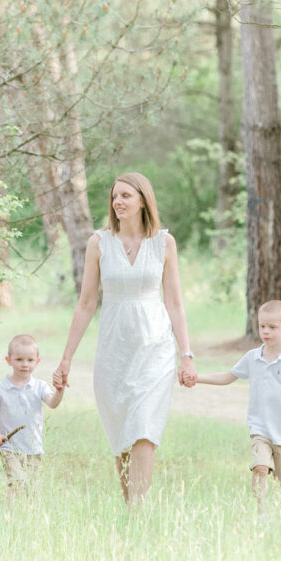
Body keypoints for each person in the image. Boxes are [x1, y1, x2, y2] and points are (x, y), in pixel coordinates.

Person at [53, 172, 196, 508]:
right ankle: (130, 508)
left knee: (145, 427)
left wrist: (186, 353)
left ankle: (139, 508)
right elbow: (86, 304)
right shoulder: (98, 243)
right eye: (115, 197)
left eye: (126, 196)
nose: (118, 202)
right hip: (114, 349)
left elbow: (174, 301)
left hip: (155, 348)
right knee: (121, 433)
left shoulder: (164, 243)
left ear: (143, 200)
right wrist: (66, 358)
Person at [195, 300, 281, 515]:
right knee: (259, 468)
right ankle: (261, 513)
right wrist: (197, 378)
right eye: (262, 326)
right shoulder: (253, 357)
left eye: (272, 327)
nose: (265, 331)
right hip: (260, 429)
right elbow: (227, 377)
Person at [0, 334, 64, 497]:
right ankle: (9, 516)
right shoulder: (0, 388)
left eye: (30, 360)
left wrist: (59, 391)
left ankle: (28, 516)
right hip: (9, 447)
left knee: (31, 489)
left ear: (37, 361)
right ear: (9, 360)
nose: (25, 364)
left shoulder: (40, 386)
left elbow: (53, 403)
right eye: (19, 359)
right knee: (17, 482)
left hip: (33, 447)